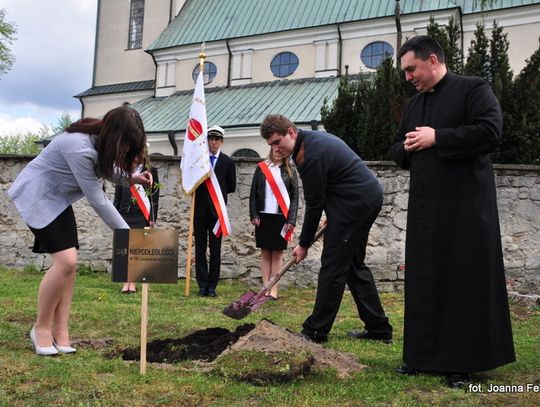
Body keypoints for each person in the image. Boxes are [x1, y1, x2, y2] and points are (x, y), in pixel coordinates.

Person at [388, 35, 515, 388]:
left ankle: (461, 362)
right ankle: (419, 356)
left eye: (411, 69)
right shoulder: (414, 105)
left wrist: (438, 138)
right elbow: (397, 147)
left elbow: (491, 131)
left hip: (465, 208)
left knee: (461, 281)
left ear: (432, 60)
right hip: (426, 210)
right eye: (404, 72)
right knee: (424, 279)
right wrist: (409, 147)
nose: (407, 77)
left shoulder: (474, 89)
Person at [8, 106, 152, 356]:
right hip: (38, 196)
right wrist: (127, 233)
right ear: (116, 137)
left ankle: (61, 332)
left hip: (58, 200)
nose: (127, 150)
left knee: (69, 266)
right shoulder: (79, 148)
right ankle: (41, 328)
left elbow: (106, 168)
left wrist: (130, 179)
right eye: (126, 145)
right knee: (66, 261)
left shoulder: (100, 141)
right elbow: (97, 199)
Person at [260, 114, 393, 344]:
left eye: (277, 142)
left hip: (356, 204)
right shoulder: (310, 142)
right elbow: (335, 182)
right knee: (352, 266)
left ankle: (316, 331)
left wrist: (303, 245)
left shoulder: (310, 155)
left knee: (332, 267)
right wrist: (335, 213)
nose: (275, 148)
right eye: (271, 144)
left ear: (291, 132)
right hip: (358, 201)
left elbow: (314, 204)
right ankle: (379, 329)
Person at [249, 149, 299, 299]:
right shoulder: (261, 168)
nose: (278, 152)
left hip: (281, 218)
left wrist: (291, 220)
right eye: (275, 149)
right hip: (263, 217)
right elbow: (253, 195)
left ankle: (274, 290)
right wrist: (254, 214)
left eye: (281, 150)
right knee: (265, 253)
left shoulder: (290, 170)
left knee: (277, 254)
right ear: (271, 150)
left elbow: (295, 198)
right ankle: (265, 288)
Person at [194, 125, 236, 297]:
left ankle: (212, 285)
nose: (213, 142)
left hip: (217, 212)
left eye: (217, 139)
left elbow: (231, 186)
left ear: (222, 141)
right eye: (211, 139)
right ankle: (202, 284)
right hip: (200, 211)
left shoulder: (228, 162)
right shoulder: (199, 160)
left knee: (216, 249)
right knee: (200, 249)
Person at [113, 148, 159, 294]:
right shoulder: (123, 169)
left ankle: (132, 282)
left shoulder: (152, 171)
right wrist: (115, 213)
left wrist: (152, 218)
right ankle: (125, 281)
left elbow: (154, 197)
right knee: (125, 250)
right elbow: (118, 194)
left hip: (141, 215)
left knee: (136, 250)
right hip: (125, 213)